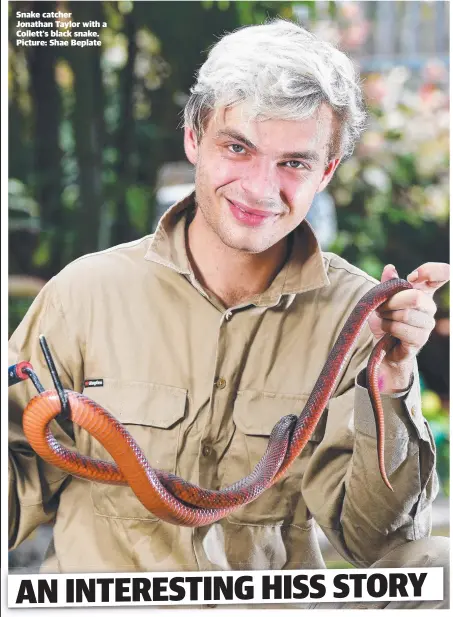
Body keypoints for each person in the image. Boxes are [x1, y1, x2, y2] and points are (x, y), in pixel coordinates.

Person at [8, 19, 449, 609]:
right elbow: (16, 490)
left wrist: (391, 384)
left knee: (437, 565)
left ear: (327, 171)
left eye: (294, 162)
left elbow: (379, 543)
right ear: (194, 137)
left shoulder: (357, 317)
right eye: (237, 147)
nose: (260, 188)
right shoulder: (84, 294)